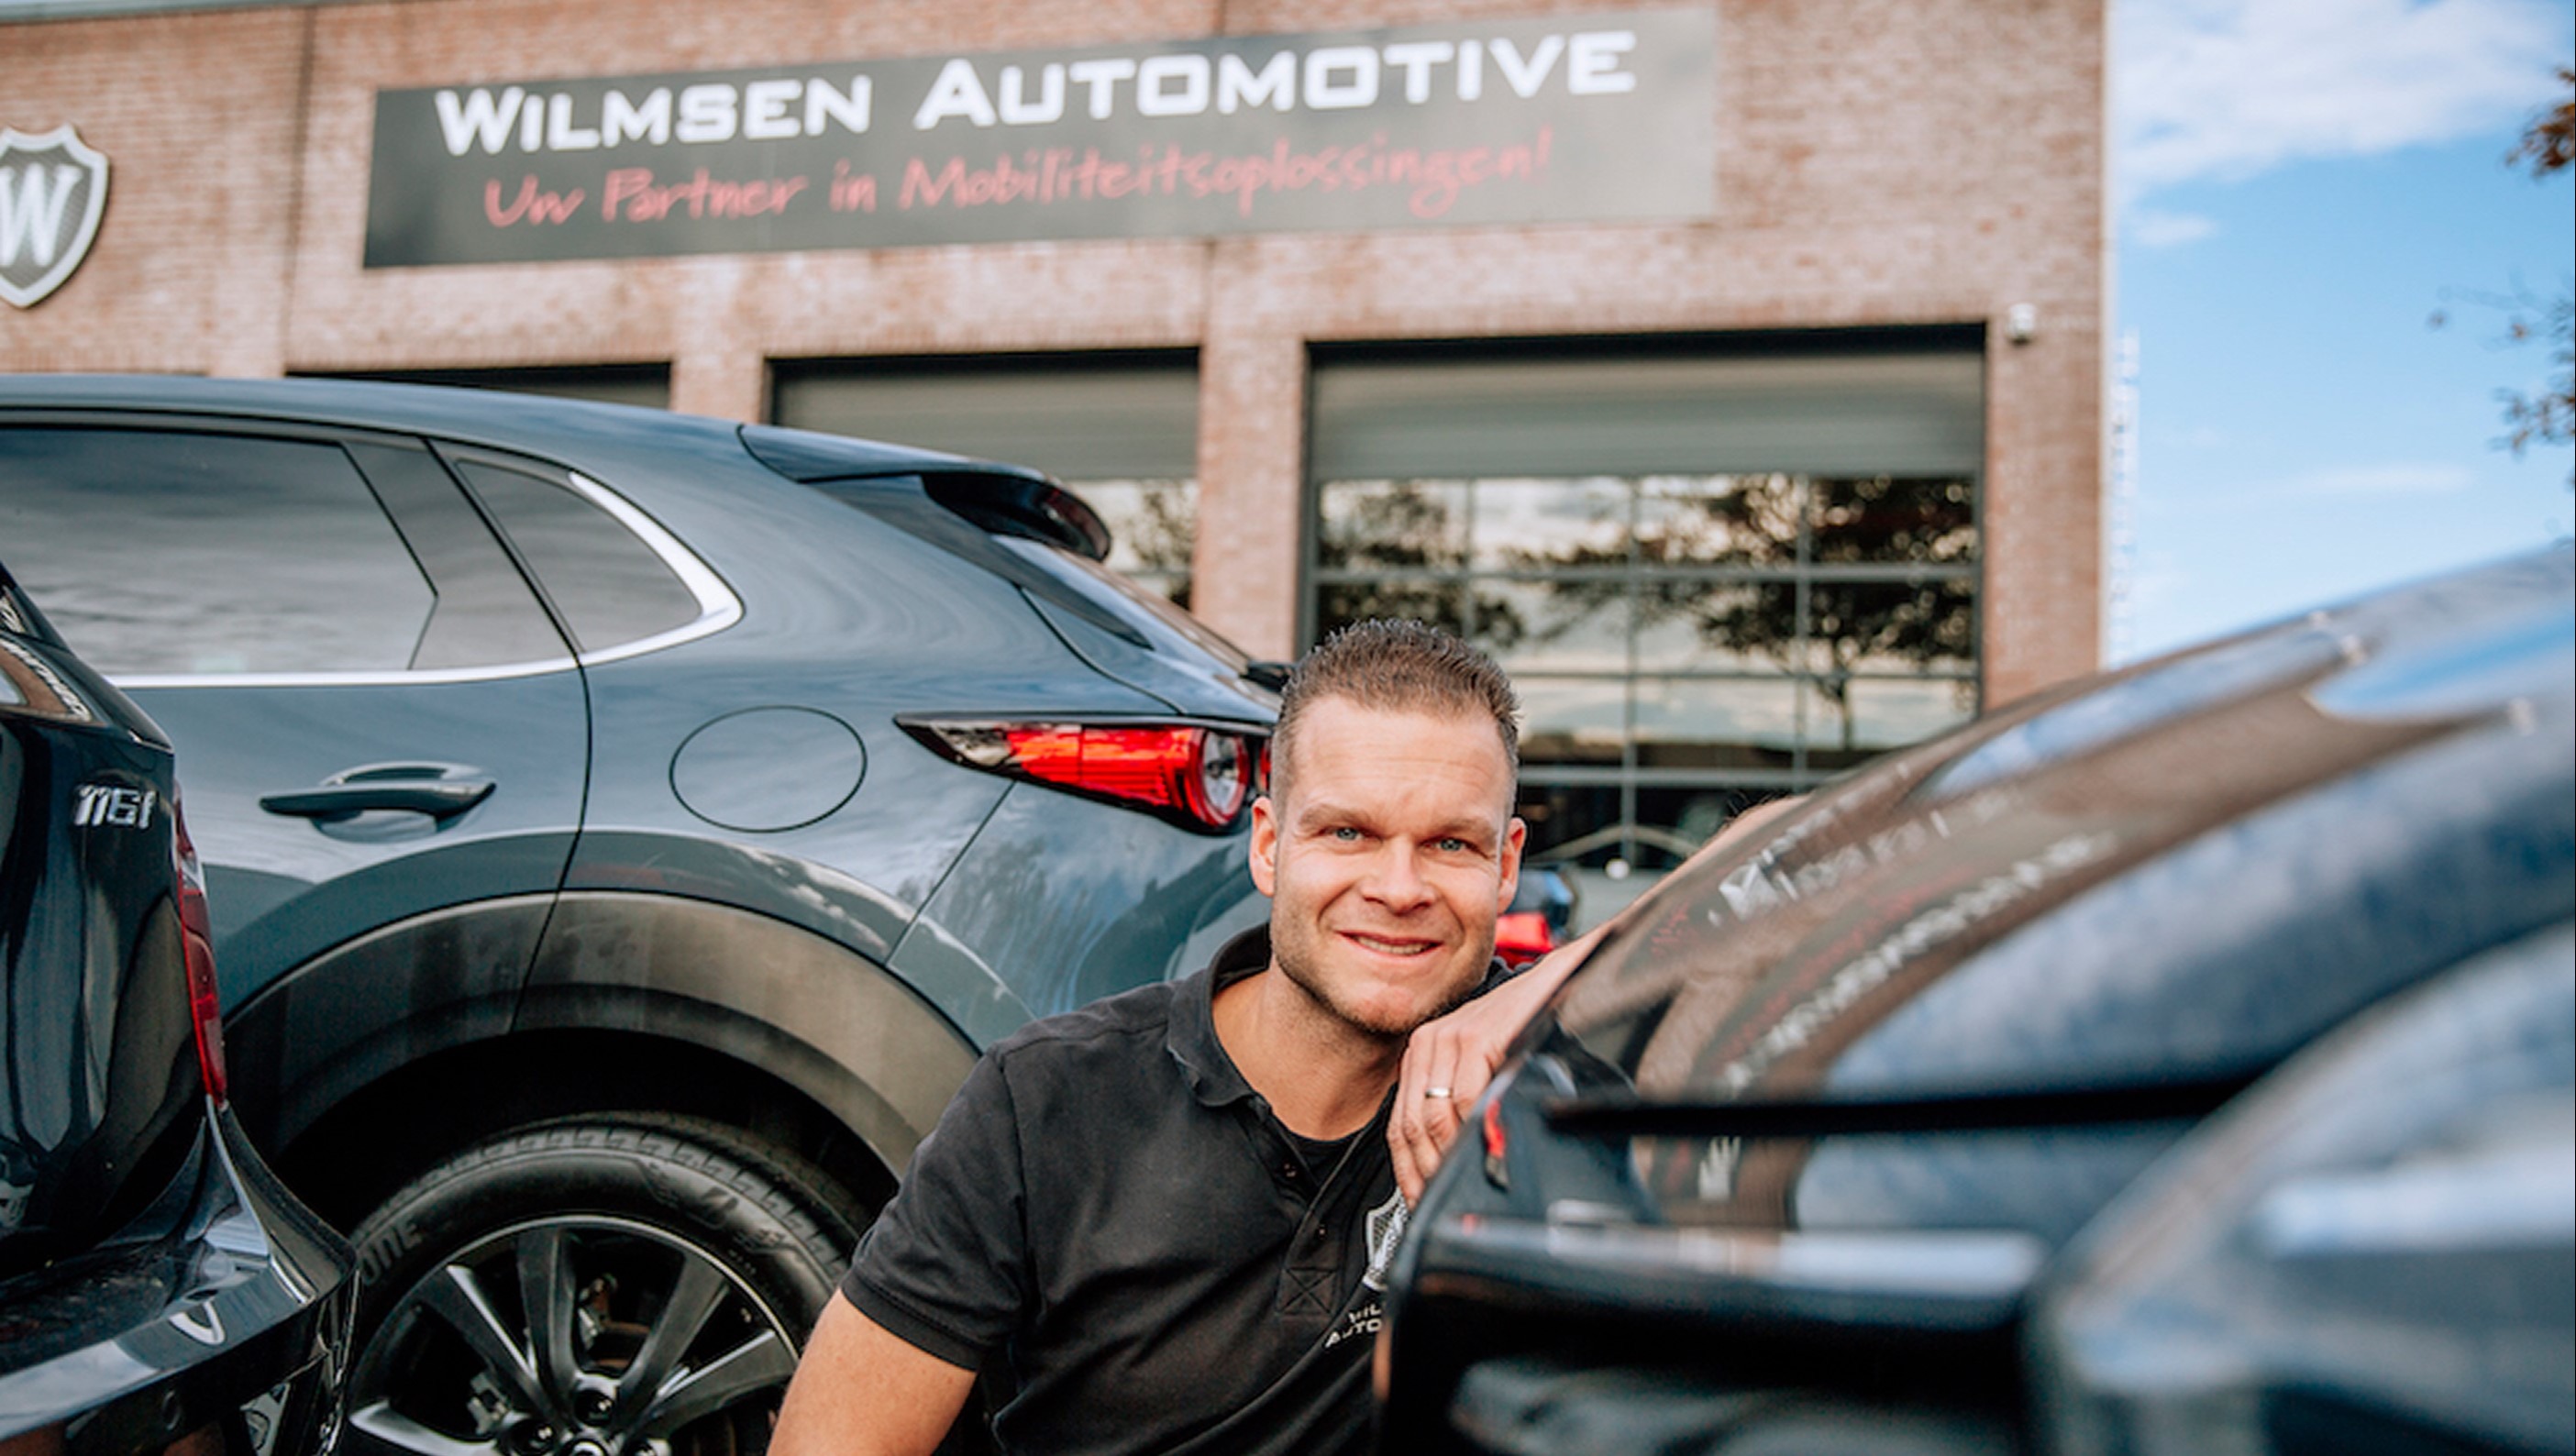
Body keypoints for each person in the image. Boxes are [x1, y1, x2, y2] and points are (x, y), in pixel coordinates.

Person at [771, 619, 1531, 1456]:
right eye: (1347, 832)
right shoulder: (1047, 1100)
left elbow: (1664, 928)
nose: (1399, 888)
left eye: (1450, 843)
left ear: (1505, 866)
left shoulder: (1550, 1082)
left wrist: (1527, 998)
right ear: (1269, 846)